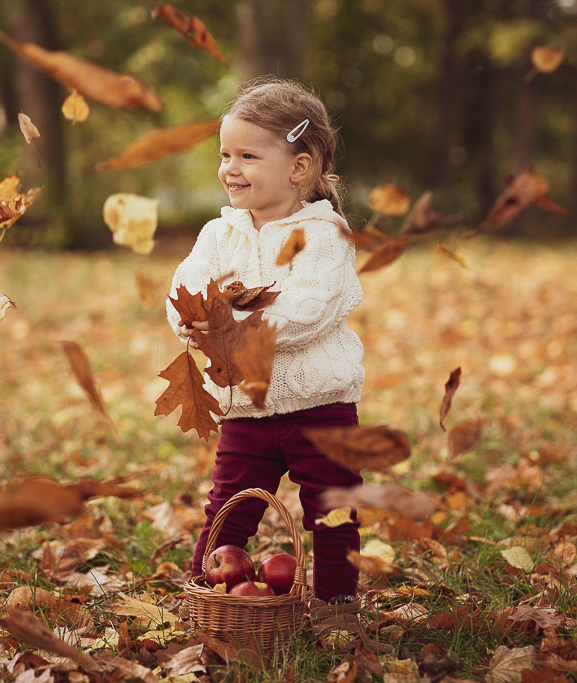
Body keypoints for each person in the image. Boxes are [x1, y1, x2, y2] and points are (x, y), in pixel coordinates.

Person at [165, 78, 380, 649]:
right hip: (246, 408)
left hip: (321, 407)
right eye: (224, 155)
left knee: (333, 511)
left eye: (247, 156)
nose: (230, 168)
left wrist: (234, 328)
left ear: (299, 167)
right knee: (227, 509)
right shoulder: (219, 234)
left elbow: (310, 310)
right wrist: (188, 320)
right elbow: (184, 287)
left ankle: (337, 606)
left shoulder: (324, 236)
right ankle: (204, 594)